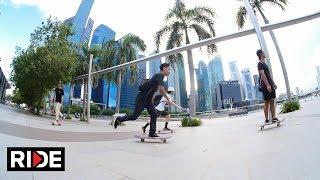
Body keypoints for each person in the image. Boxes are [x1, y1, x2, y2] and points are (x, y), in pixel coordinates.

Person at [114, 63, 173, 137]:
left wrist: (152, 100)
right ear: (164, 68)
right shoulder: (159, 75)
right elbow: (161, 90)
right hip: (142, 98)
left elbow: (153, 91)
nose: (169, 71)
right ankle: (119, 119)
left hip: (148, 101)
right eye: (169, 69)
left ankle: (152, 133)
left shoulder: (159, 77)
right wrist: (168, 99)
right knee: (134, 116)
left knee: (154, 115)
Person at [257, 49, 278, 123]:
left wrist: (273, 83)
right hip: (265, 85)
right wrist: (268, 85)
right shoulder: (260, 64)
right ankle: (266, 119)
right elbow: (262, 75)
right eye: (263, 52)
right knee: (267, 102)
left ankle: (274, 117)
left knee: (272, 100)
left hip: (270, 84)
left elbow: (269, 75)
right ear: (260, 54)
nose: (265, 53)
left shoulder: (265, 64)